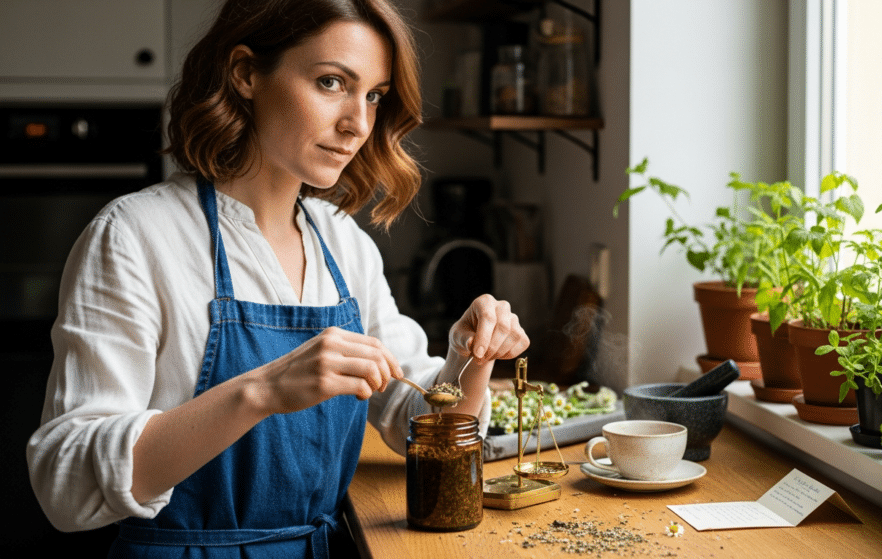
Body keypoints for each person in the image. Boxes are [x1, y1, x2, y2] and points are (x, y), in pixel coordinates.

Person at [26, 0, 529, 557]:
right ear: (246, 73)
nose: (358, 124)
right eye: (331, 82)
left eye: (373, 96)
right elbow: (64, 486)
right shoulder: (136, 235)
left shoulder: (342, 243)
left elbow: (420, 423)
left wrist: (468, 359)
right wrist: (262, 391)